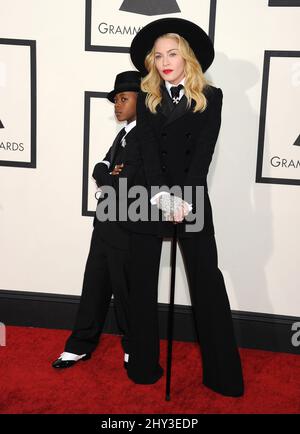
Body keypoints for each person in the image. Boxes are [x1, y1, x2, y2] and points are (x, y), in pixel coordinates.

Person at [126, 18, 244, 396]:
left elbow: (204, 153)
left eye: (172, 53)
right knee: (141, 279)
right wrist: (161, 195)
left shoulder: (213, 96)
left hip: (191, 197)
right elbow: (145, 149)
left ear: (187, 57)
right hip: (150, 196)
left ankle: (223, 376)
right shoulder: (146, 96)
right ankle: (144, 367)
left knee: (207, 280)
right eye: (158, 55)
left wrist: (185, 199)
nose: (164, 61)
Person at [52, 71, 142, 370]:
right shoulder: (124, 134)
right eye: (115, 100)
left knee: (126, 290)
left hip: (127, 226)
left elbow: (122, 182)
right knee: (94, 285)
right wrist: (106, 172)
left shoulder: (145, 137)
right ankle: (80, 345)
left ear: (142, 101)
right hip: (105, 222)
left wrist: (106, 173)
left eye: (124, 99)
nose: (117, 105)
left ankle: (134, 348)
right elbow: (102, 169)